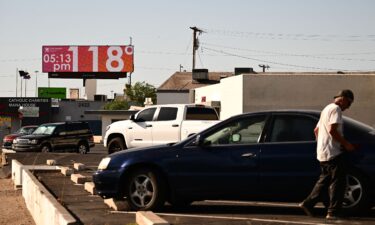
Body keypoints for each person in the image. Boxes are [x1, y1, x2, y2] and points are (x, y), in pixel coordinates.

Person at [299, 89, 356, 220]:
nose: (349, 106)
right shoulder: (336, 109)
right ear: (342, 99)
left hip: (323, 152)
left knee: (324, 180)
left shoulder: (326, 109)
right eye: (349, 103)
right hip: (333, 152)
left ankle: (307, 204)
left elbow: (316, 130)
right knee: (338, 182)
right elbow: (332, 130)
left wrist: (322, 144)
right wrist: (345, 144)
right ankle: (333, 212)